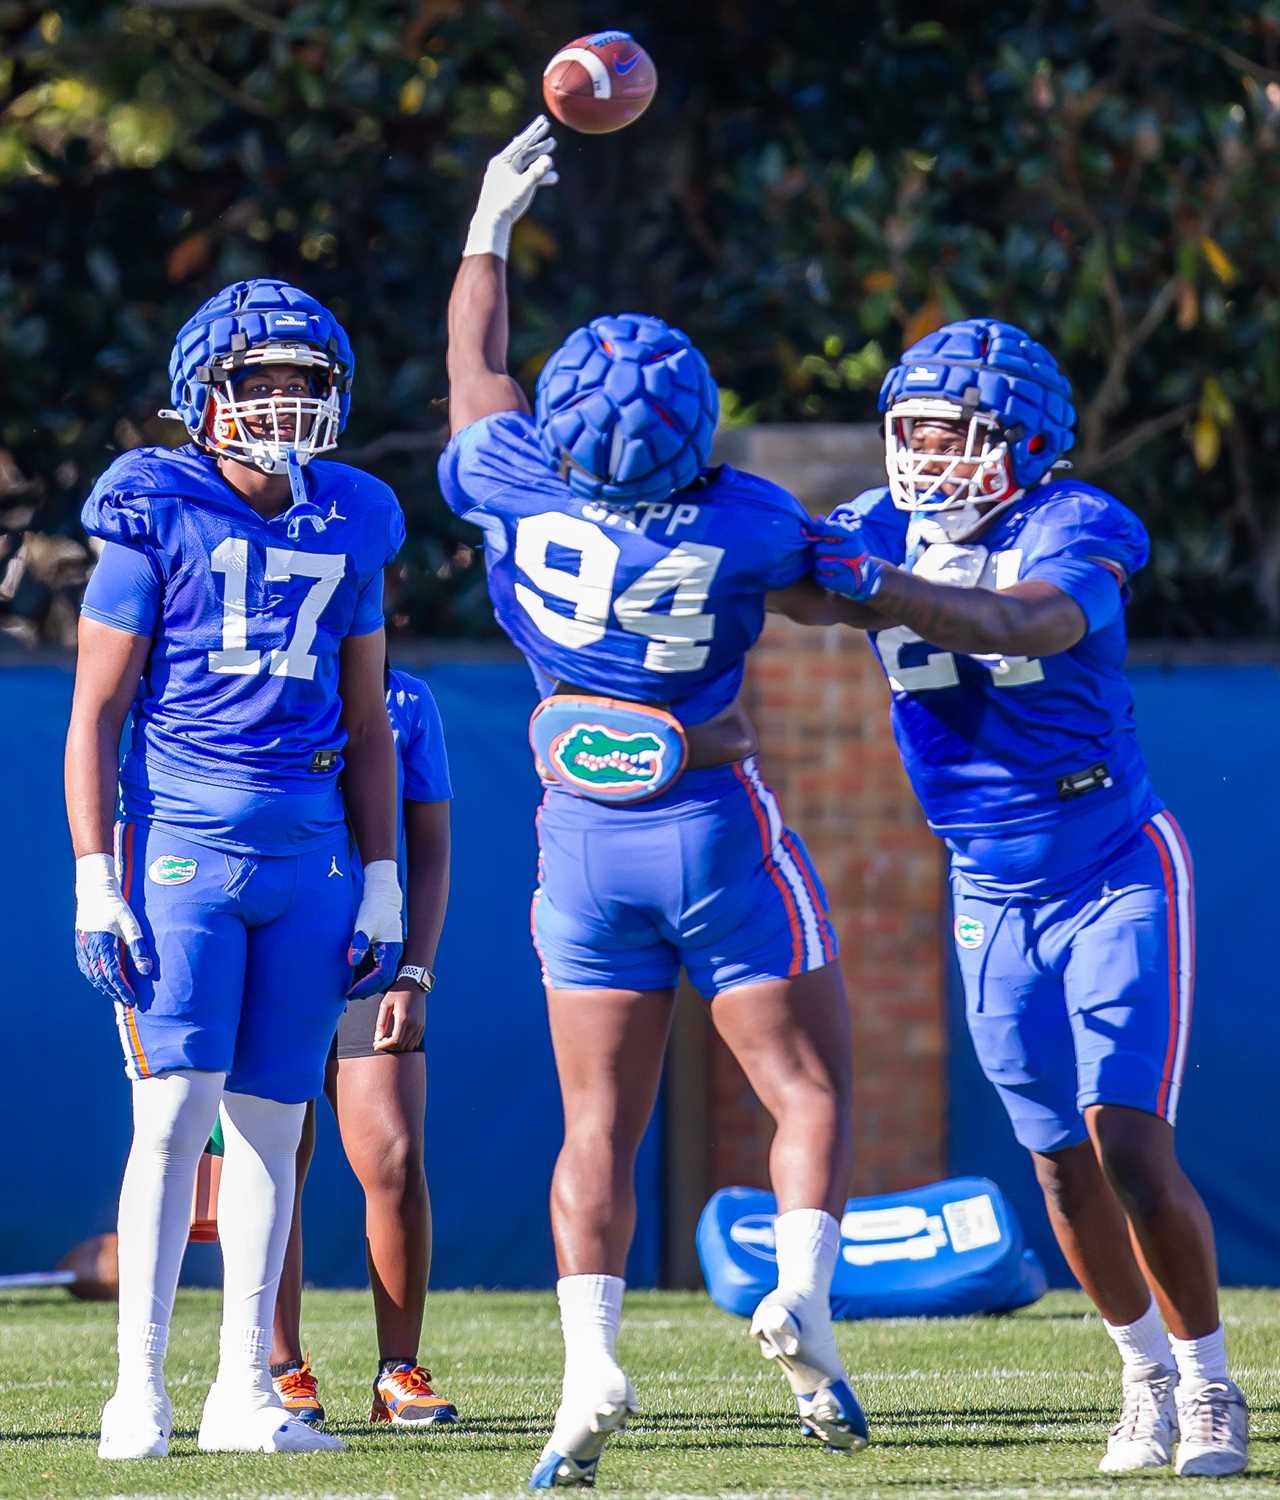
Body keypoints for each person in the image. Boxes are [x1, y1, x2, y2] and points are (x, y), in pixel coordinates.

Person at [438, 117, 866, 1489]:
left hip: (581, 840)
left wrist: (489, 224)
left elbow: (475, 364)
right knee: (805, 1090)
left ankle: (589, 1371)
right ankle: (802, 1291)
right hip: (710, 821)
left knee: (592, 1129)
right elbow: (829, 587)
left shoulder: (508, 479)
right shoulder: (741, 518)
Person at [809, 319, 1248, 1478]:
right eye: (907, 432)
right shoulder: (873, 528)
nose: (921, 458)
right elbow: (798, 591)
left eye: (948, 435)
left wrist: (876, 583)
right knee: (1054, 1156)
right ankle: (1139, 1374)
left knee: (1126, 1139)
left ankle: (1207, 1385)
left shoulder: (1074, 521)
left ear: (1020, 439)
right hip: (984, 879)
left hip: (1111, 862)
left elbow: (1024, 621)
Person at [66, 277, 407, 1459]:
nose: (281, 403)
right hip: (182, 845)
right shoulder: (151, 506)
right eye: (256, 382)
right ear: (201, 397)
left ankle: (244, 1394)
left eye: (302, 383)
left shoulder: (356, 514)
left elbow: (368, 720)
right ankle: (137, 1392)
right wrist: (94, 876)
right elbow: (95, 713)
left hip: (309, 852)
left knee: (274, 1125)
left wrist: (382, 876)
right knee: (171, 1120)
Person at [270, 664, 457, 1430]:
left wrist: (415, 968)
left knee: (395, 1156)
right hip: (264, 949)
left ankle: (398, 1371)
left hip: (370, 958)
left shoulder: (408, 697)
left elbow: (432, 847)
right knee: (271, 1157)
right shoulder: (252, 677)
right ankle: (279, 1367)